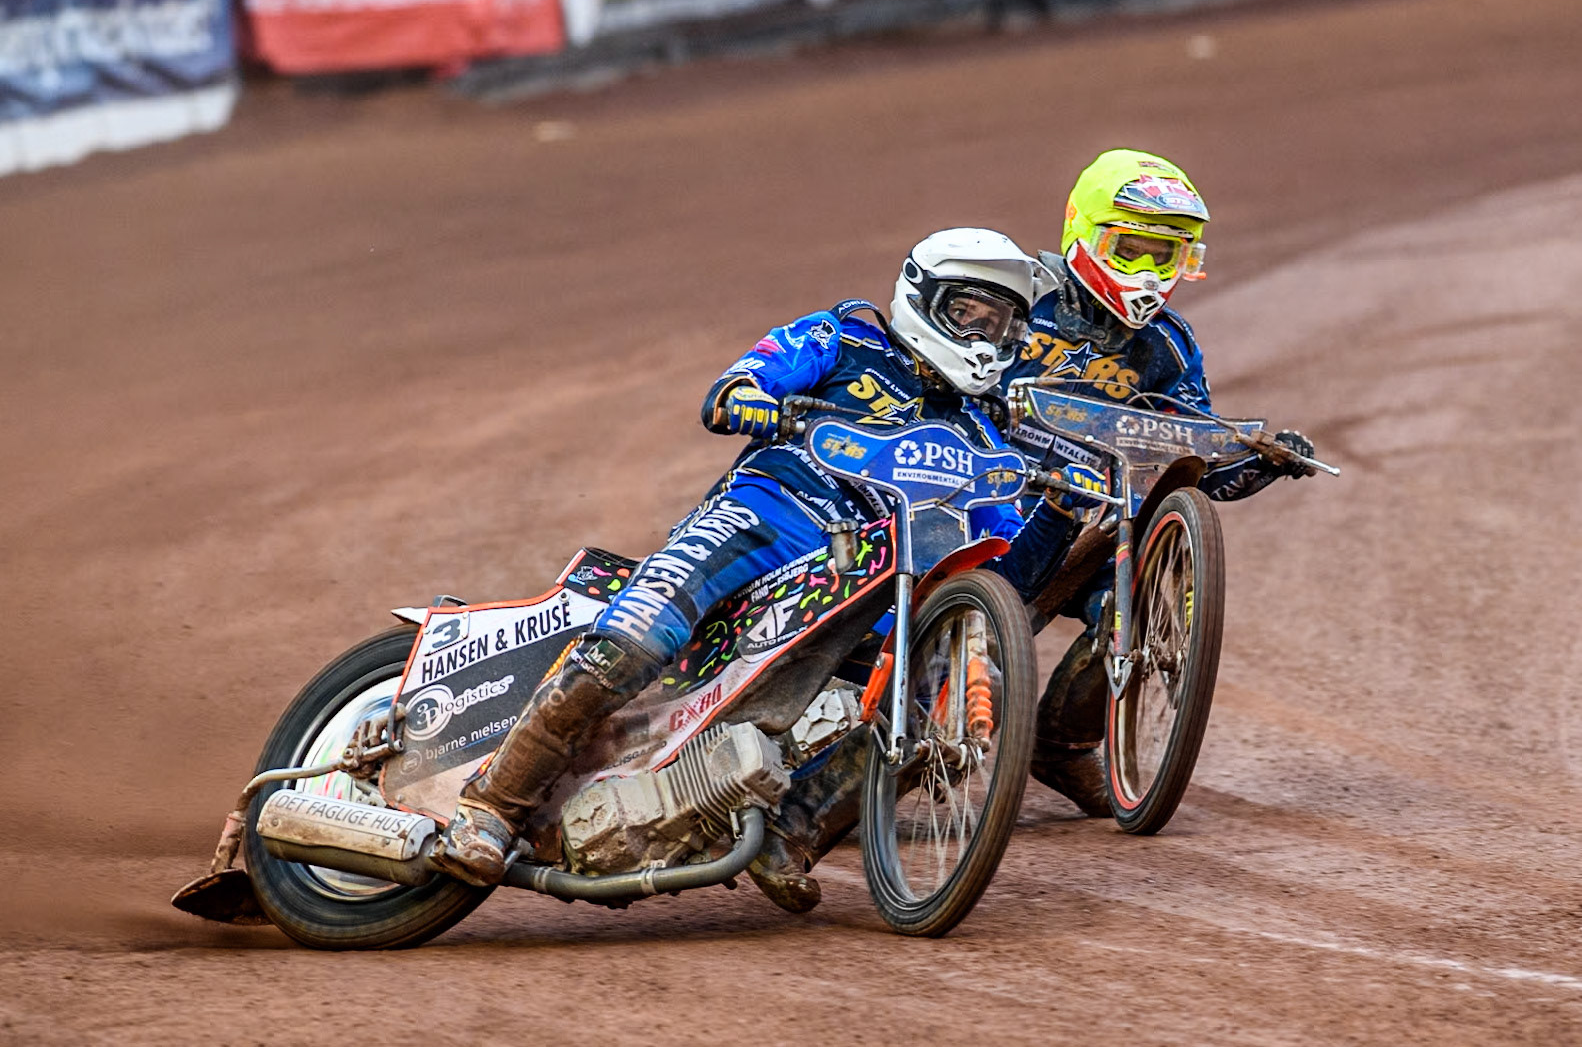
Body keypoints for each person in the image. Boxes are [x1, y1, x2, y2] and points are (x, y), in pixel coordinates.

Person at [432, 228, 1075, 913]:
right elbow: (739, 383)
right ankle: (494, 805)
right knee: (641, 637)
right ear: (922, 298)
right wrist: (748, 394)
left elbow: (1007, 576)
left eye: (1000, 323)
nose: (982, 336)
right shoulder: (845, 338)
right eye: (968, 313)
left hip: (868, 588)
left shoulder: (986, 437)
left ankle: (791, 833)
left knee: (938, 694)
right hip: (768, 517)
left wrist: (1059, 511)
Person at [1001, 149, 1316, 817]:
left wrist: (1260, 460)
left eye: (1165, 256)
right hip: (979, 498)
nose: (1147, 273)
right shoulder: (1016, 294)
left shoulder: (1168, 347)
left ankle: (1059, 744)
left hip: (1086, 527)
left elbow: (1191, 453)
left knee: (1136, 603)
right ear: (1082, 232)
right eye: (1132, 250)